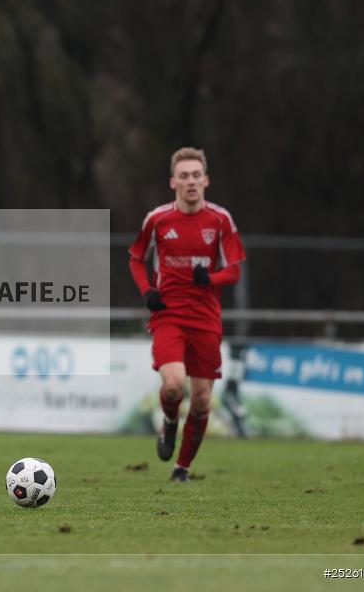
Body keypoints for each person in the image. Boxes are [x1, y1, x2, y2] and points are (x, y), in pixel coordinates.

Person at [128, 147, 245, 482]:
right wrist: (148, 291)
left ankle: (181, 469)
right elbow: (136, 258)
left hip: (206, 317)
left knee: (203, 399)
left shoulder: (220, 220)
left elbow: (234, 269)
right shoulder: (158, 219)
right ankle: (168, 422)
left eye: (196, 175)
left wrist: (212, 278)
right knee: (175, 384)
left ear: (206, 180)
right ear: (173, 182)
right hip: (169, 314)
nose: (191, 181)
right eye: (184, 176)